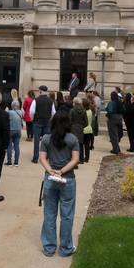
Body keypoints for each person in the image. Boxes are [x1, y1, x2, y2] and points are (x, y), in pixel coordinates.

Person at [39, 111, 80, 257]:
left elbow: (42, 158)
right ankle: (65, 248)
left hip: (50, 179)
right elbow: (75, 160)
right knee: (67, 215)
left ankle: (49, 248)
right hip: (67, 179)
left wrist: (51, 170)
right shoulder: (73, 139)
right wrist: (61, 171)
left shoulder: (46, 138)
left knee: (49, 214)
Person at [30, 85, 55, 163]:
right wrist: (49, 119)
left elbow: (32, 112)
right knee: (47, 141)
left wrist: (32, 118)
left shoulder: (36, 100)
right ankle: (47, 157)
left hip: (37, 122)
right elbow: (54, 113)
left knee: (36, 141)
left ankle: (35, 158)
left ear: (40, 91)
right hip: (47, 122)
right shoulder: (51, 101)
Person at [69, 93, 88, 164]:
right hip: (80, 128)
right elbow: (86, 122)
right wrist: (82, 126)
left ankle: (73, 159)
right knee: (80, 144)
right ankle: (81, 159)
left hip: (73, 128)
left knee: (73, 144)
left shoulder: (72, 110)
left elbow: (70, 120)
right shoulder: (84, 111)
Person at [6, 99, 24, 166]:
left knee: (9, 146)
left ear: (12, 106)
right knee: (17, 146)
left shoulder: (9, 112)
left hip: (11, 130)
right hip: (18, 130)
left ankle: (9, 162)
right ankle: (16, 162)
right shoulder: (20, 112)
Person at [82, 96, 94, 162]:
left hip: (84, 130)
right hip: (89, 129)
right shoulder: (90, 111)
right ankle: (87, 158)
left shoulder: (84, 112)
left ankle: (82, 157)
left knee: (82, 145)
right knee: (87, 146)